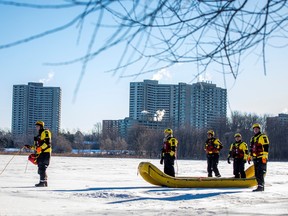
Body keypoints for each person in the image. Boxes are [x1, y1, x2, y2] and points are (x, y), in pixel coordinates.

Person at [25, 121, 52, 187]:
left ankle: (42, 183)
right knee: (40, 168)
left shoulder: (45, 132)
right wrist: (30, 147)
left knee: (42, 168)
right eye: (36, 126)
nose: (36, 127)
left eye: (38, 126)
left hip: (45, 152)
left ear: (41, 126)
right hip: (40, 153)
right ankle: (44, 182)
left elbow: (47, 143)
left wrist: (41, 148)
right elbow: (37, 147)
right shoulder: (38, 136)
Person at [249, 123, 270, 192]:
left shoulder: (263, 136)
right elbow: (251, 149)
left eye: (257, 129)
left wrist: (265, 156)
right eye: (254, 129)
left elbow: (266, 146)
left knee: (261, 172)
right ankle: (259, 185)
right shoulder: (253, 138)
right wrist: (249, 157)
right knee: (257, 173)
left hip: (261, 157)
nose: (255, 130)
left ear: (259, 129)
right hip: (255, 158)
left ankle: (261, 186)